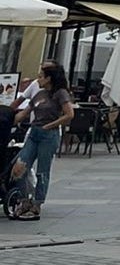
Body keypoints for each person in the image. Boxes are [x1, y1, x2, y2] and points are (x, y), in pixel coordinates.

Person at [10, 62, 74, 220]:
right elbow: (24, 112)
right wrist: (8, 118)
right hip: (34, 132)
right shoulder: (39, 94)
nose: (37, 80)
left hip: (49, 135)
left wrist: (51, 125)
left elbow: (69, 114)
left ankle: (37, 204)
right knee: (20, 166)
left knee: (42, 171)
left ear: (49, 78)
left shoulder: (60, 94)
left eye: (40, 77)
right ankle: (24, 200)